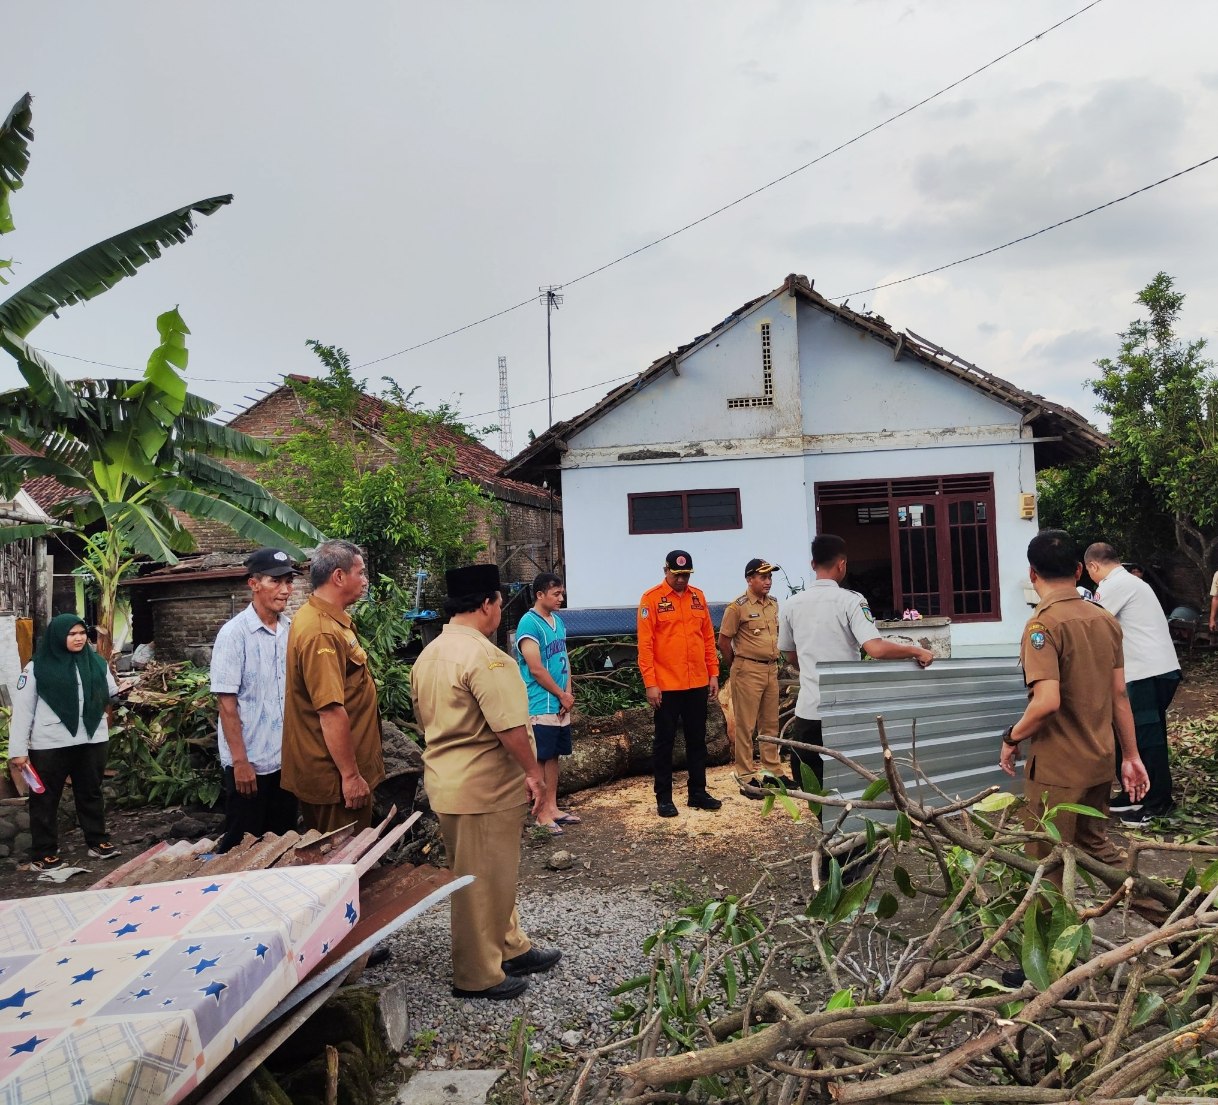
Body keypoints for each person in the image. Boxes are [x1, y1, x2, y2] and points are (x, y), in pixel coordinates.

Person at [412, 563, 561, 1000]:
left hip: (450, 779)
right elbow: (510, 727)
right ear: (487, 605)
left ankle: (509, 945)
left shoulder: (430, 654)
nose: (499, 610)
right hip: (484, 786)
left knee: (494, 873)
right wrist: (535, 774)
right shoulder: (486, 657)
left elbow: (426, 719)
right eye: (498, 602)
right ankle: (477, 973)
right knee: (480, 881)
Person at [1000, 531, 1149, 872]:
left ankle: (1045, 925)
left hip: (1058, 773)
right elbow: (1119, 694)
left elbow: (1046, 702)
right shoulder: (1105, 620)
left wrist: (1012, 737)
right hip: (1099, 763)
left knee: (1045, 866)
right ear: (1079, 570)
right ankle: (1169, 910)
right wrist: (1131, 755)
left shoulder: (1042, 625)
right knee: (1097, 849)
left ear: (1032, 573)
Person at [778, 535, 934, 789]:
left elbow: (790, 655)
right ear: (841, 564)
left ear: (812, 563)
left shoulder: (791, 605)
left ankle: (825, 825)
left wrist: (807, 668)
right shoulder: (851, 601)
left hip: (809, 710)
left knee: (813, 779)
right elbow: (875, 649)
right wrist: (915, 651)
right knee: (852, 777)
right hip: (845, 710)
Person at [282, 539, 385, 834]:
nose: (365, 581)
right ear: (338, 577)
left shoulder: (328, 620)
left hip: (338, 773)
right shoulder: (321, 632)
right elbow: (329, 710)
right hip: (334, 779)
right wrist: (351, 776)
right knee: (343, 862)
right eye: (361, 573)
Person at [8, 613, 125, 871]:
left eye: (82, 633)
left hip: (92, 737)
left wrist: (122, 693)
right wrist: (18, 751)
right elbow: (23, 710)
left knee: (91, 791)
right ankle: (44, 853)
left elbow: (110, 693)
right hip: (51, 742)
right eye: (72, 634)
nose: (79, 638)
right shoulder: (37, 667)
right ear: (59, 636)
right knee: (46, 798)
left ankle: (97, 841)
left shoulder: (96, 662)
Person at [210, 547, 300, 852]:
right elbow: (226, 703)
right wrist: (241, 763)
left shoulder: (291, 631)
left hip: (284, 762)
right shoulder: (233, 635)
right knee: (241, 848)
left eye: (288, 581)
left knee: (282, 844)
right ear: (254, 584)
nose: (285, 590)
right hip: (249, 765)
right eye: (276, 582)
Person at [1084, 542, 1181, 824]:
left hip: (1146, 674)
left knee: (1145, 740)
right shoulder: (1130, 581)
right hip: (1152, 671)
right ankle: (1134, 794)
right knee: (1129, 736)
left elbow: (1090, 624)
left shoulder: (1114, 584)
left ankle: (1158, 802)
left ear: (1093, 566)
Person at [637, 550, 722, 818]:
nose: (682, 580)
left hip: (696, 681)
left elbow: (708, 638)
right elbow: (645, 646)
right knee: (665, 742)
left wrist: (713, 673)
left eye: (686, 575)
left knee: (697, 740)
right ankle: (664, 797)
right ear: (666, 571)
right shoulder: (651, 599)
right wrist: (650, 683)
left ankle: (697, 791)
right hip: (667, 685)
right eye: (677, 575)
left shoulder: (698, 597)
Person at [515, 571, 578, 834]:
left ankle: (552, 806)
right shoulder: (529, 624)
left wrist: (568, 693)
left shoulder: (558, 622)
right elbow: (536, 667)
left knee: (554, 755)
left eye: (561, 593)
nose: (561, 598)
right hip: (540, 702)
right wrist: (559, 694)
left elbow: (564, 658)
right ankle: (540, 813)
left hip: (560, 702)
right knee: (540, 756)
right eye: (556, 594)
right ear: (540, 595)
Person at [718, 558, 784, 796]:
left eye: (770, 577)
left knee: (770, 723)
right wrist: (736, 664)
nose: (768, 582)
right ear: (749, 579)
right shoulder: (737, 607)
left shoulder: (773, 604)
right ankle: (746, 776)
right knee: (746, 726)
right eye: (762, 577)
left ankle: (772, 772)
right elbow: (724, 641)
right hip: (748, 669)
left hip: (770, 669)